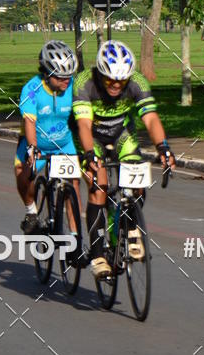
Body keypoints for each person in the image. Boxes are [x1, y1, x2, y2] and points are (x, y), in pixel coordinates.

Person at [72, 40, 176, 279]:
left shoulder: (137, 82)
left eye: (122, 80)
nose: (116, 85)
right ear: (99, 73)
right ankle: (98, 255)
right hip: (92, 137)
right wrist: (89, 155)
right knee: (99, 187)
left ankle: (129, 230)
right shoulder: (84, 82)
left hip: (122, 134)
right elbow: (84, 125)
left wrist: (163, 147)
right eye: (110, 80)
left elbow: (150, 118)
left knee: (137, 186)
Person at [14, 40, 79, 235]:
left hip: (64, 144)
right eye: (60, 77)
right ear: (46, 73)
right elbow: (30, 123)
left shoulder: (74, 88)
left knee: (73, 183)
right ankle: (31, 211)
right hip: (37, 142)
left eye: (69, 76)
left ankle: (75, 237)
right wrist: (33, 149)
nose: (66, 81)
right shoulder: (31, 89)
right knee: (21, 172)